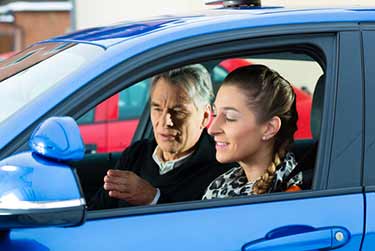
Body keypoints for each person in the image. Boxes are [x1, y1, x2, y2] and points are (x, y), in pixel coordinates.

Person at [89, 64, 232, 209]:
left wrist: (153, 198)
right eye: (157, 109)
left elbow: (202, 227)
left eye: (178, 111)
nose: (165, 122)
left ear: (205, 117)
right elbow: (96, 211)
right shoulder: (137, 153)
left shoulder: (222, 169)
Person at [203, 64, 303, 200]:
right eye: (215, 113)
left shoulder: (291, 197)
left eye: (230, 117)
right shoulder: (222, 186)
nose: (212, 129)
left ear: (269, 128)